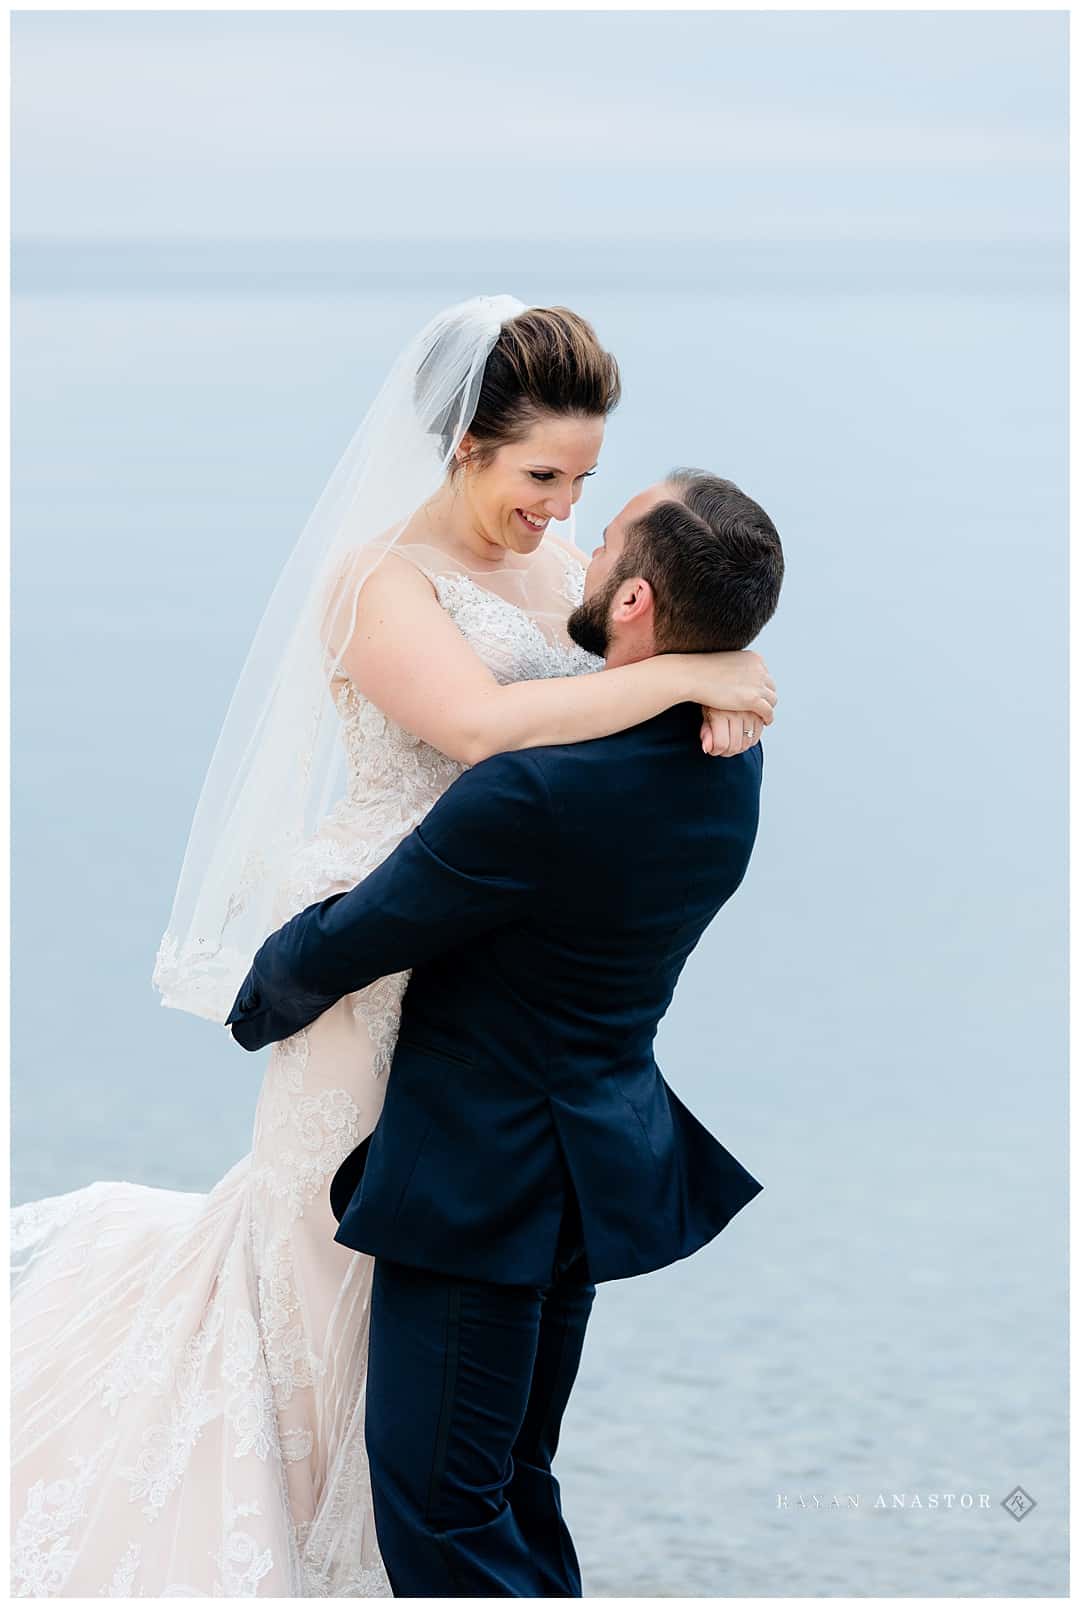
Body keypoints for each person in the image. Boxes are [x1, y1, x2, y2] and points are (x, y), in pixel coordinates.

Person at [9, 296, 776, 1597]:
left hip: (498, 973)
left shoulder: (560, 565)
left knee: (450, 1376)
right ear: (465, 445)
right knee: (326, 1292)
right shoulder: (378, 581)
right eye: (542, 475)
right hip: (369, 969)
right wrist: (687, 678)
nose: (561, 509)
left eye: (586, 479)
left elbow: (620, 661)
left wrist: (712, 676)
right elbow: (481, 729)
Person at [226, 469, 785, 1597]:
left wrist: (255, 1000)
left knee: (441, 1514)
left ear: (634, 603)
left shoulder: (533, 791)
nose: (578, 546)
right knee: (516, 1486)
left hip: (483, 1181)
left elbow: (363, 933)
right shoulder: (727, 757)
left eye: (605, 533)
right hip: (595, 1154)